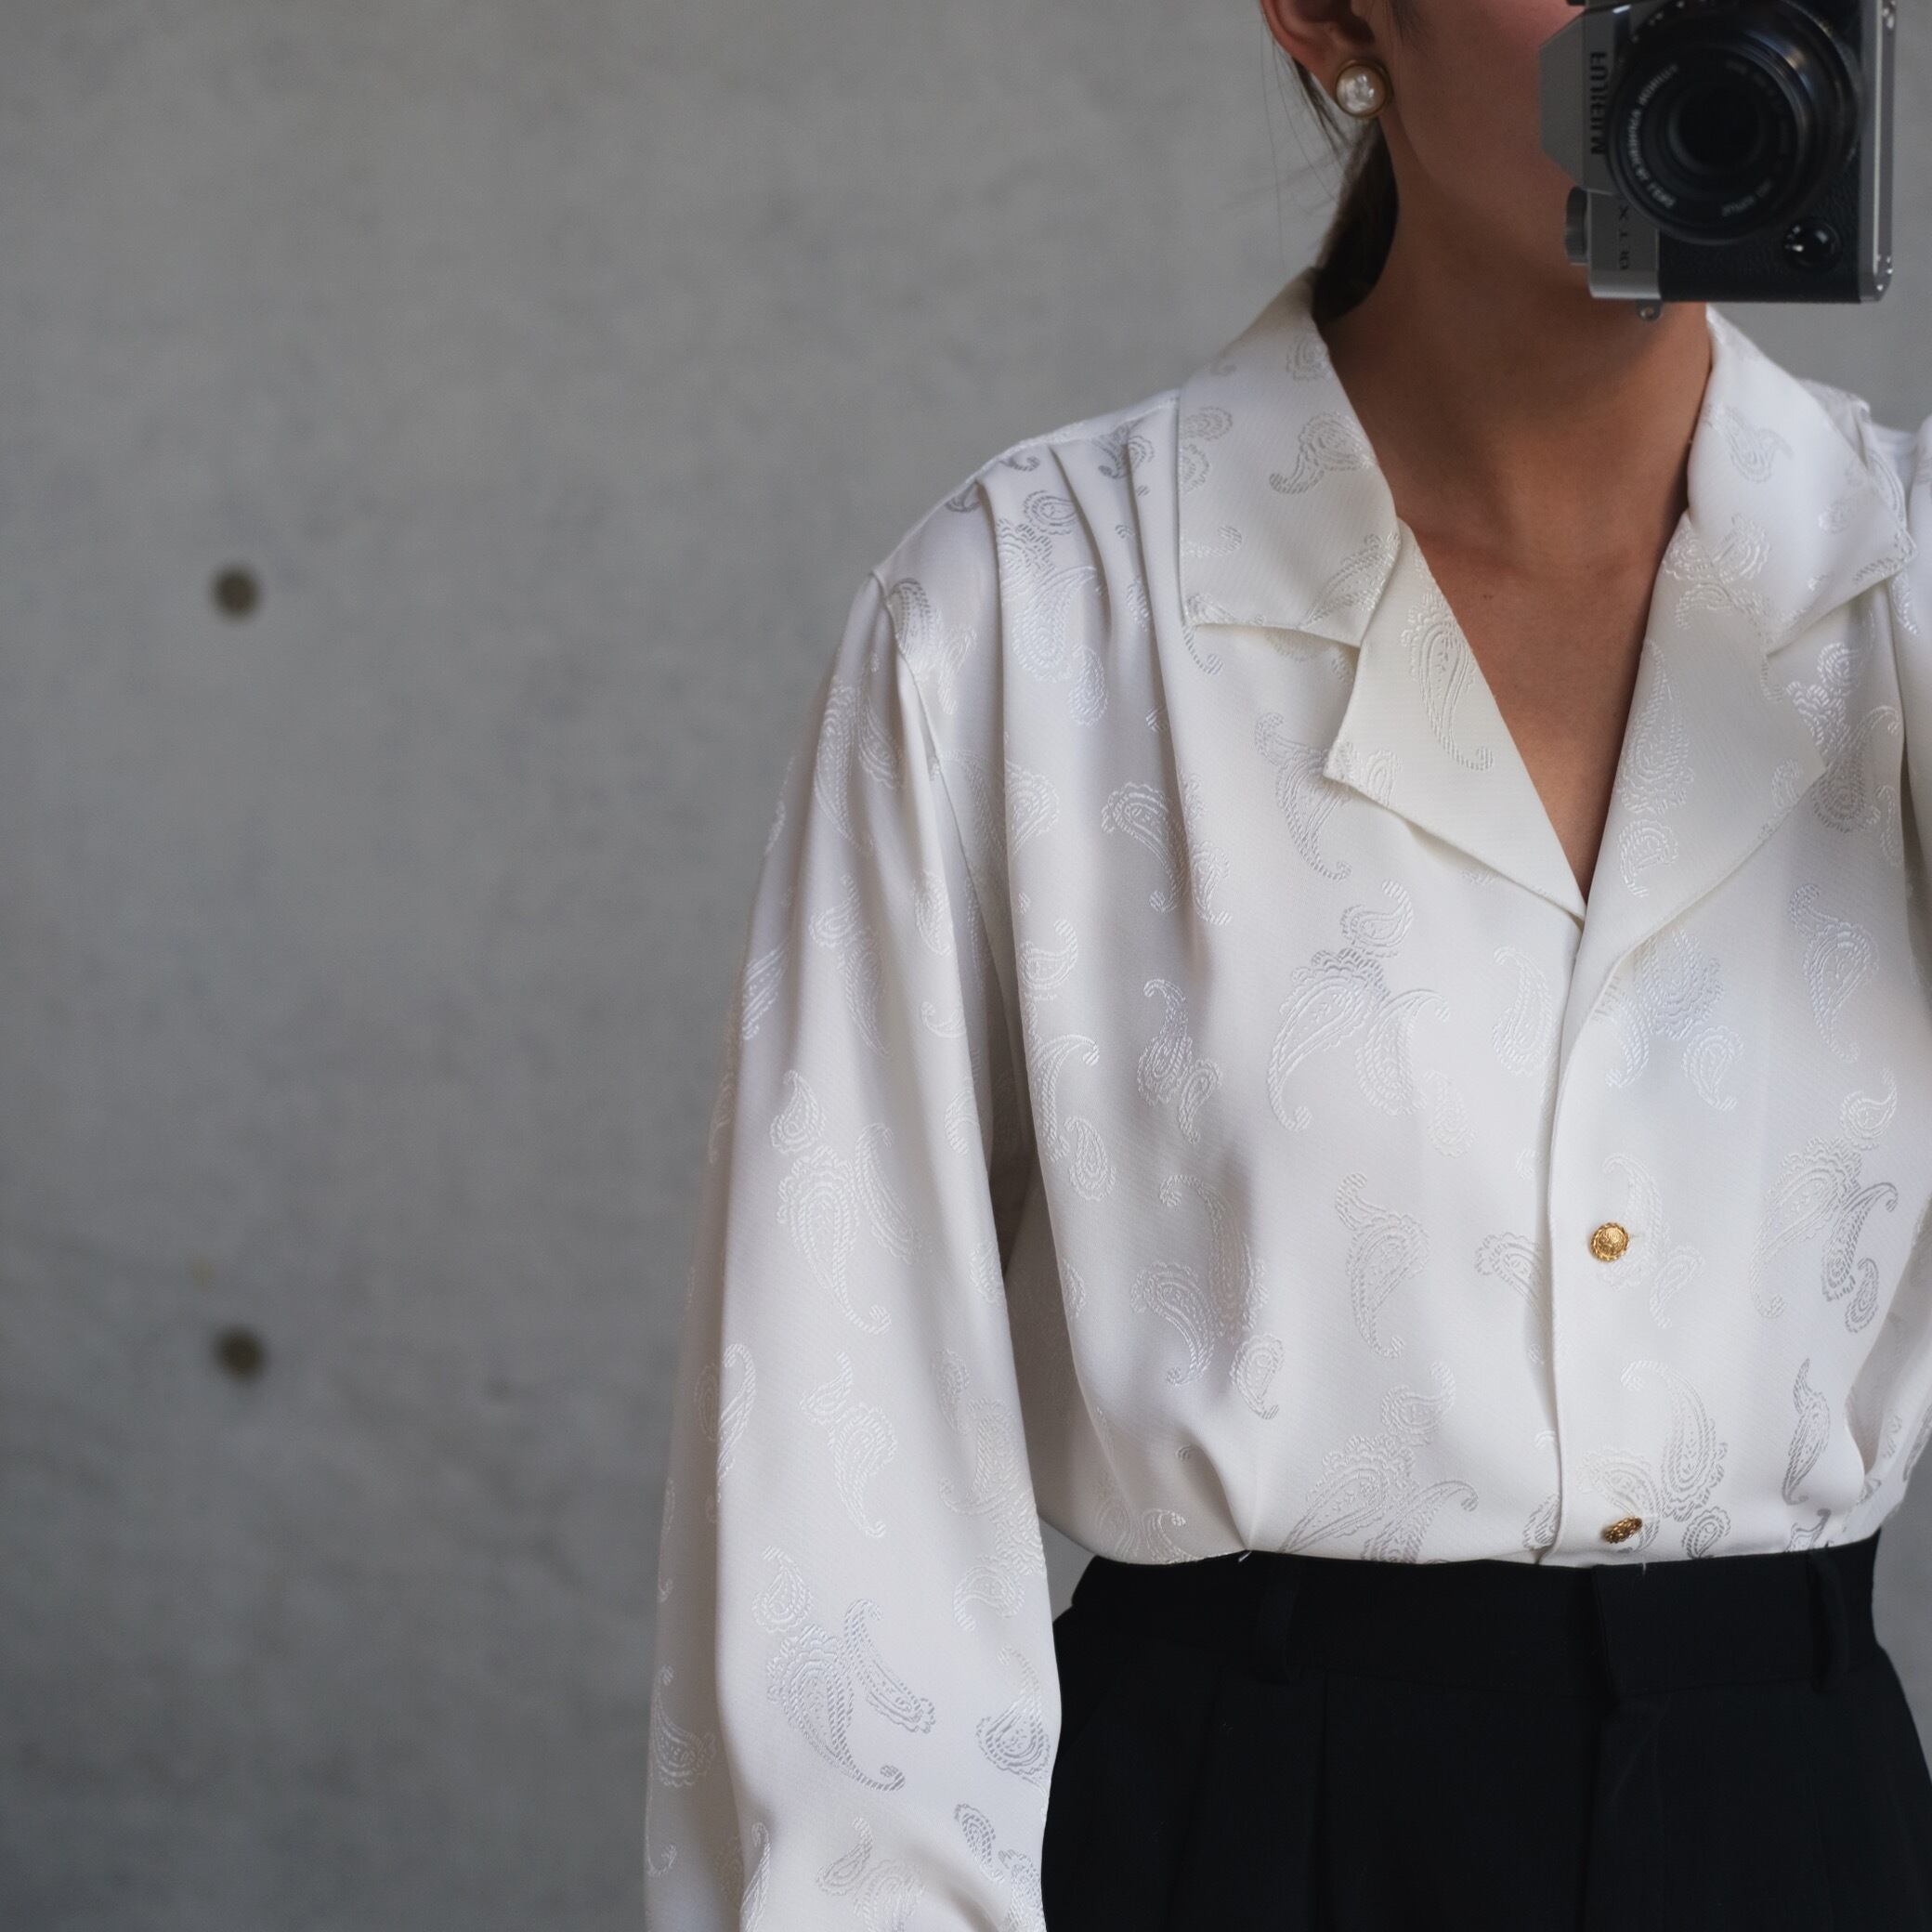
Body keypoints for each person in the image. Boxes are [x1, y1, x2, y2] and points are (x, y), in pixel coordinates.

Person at [643, 1, 1932, 1925]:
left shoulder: (1902, 580)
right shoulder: (1034, 612)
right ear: (1326, 14)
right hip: (1239, 1831)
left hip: (1800, 1834)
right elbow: (847, 1462)